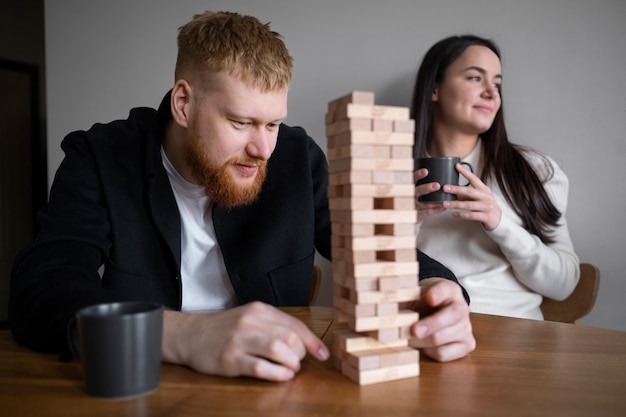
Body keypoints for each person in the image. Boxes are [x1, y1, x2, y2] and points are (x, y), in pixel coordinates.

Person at [9, 12, 475, 383]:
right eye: (241, 123)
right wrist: (182, 334)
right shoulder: (100, 157)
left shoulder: (294, 157)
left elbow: (364, 242)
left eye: (272, 123)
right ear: (183, 104)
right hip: (145, 385)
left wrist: (438, 288)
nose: (263, 148)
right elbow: (41, 291)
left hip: (275, 386)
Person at [411, 35, 580, 320]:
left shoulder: (533, 171)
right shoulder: (388, 171)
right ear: (435, 88)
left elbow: (563, 285)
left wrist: (500, 223)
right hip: (428, 326)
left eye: (497, 83)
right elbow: (365, 277)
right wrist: (405, 219)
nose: (492, 93)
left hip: (513, 329)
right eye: (476, 78)